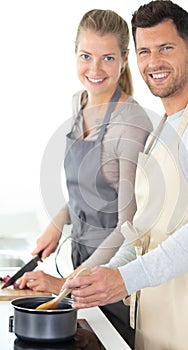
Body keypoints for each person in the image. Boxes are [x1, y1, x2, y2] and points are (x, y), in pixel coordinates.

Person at [64, 1, 188, 350]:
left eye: (166, 48)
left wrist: (125, 278)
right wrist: (104, 275)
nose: (153, 62)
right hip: (154, 323)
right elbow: (143, 228)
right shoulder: (161, 130)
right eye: (145, 51)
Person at [16, 9, 153, 348]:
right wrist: (56, 223)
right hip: (80, 267)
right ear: (75, 54)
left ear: (125, 59)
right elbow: (89, 188)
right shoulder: (78, 104)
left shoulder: (129, 126)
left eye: (108, 57)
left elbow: (129, 225)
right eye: (86, 56)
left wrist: (65, 283)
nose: (95, 69)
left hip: (112, 279)